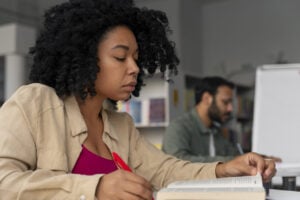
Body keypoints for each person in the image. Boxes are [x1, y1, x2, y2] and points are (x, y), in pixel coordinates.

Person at [0, 0, 275, 199]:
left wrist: (224, 169)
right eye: (120, 57)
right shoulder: (35, 102)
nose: (133, 68)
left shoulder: (120, 124)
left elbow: (166, 171)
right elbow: (4, 182)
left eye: (136, 58)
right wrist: (95, 189)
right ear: (84, 57)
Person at [162, 76, 281, 163]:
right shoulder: (178, 127)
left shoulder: (216, 131)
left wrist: (263, 158)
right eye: (225, 102)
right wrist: (231, 162)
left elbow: (236, 155)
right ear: (206, 98)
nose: (230, 108)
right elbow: (177, 163)